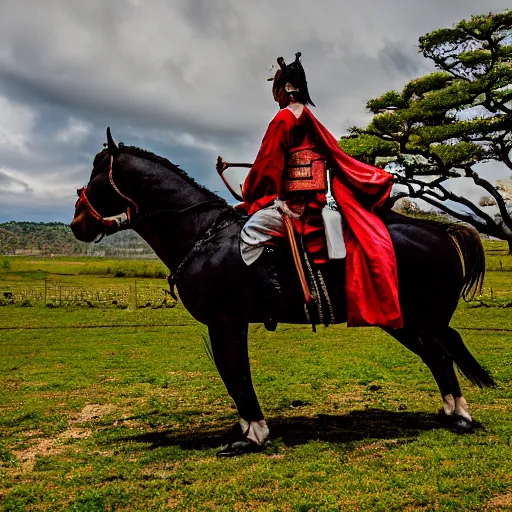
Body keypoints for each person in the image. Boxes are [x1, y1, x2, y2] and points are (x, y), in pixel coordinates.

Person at [225, 52, 403, 330]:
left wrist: (263, 195)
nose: (274, 96)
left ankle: (270, 301)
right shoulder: (307, 116)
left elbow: (268, 163)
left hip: (295, 206)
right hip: (314, 200)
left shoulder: (283, 118)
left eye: (276, 89)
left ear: (285, 88)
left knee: (250, 232)